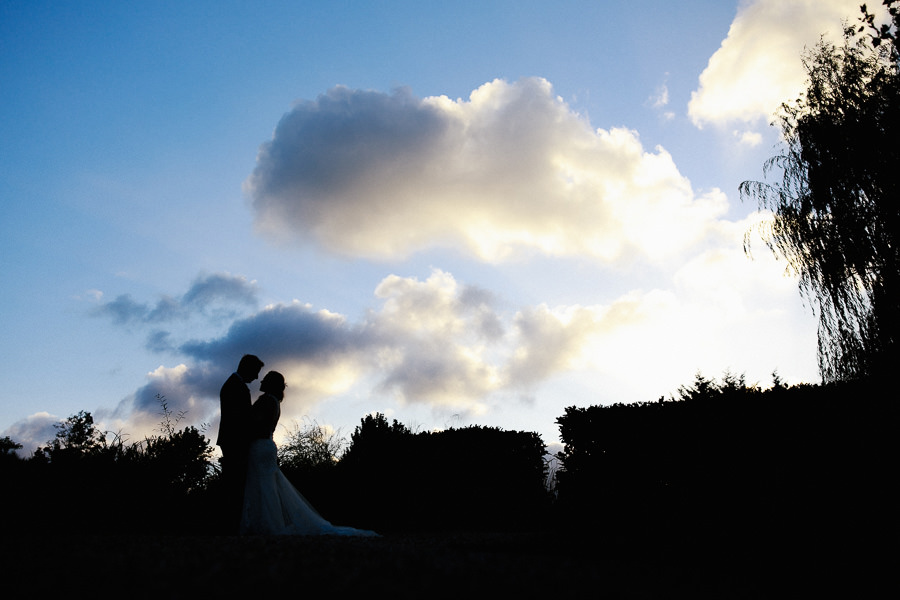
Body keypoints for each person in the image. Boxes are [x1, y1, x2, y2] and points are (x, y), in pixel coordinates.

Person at [240, 371, 378, 536]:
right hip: (267, 445)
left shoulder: (266, 400)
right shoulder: (275, 402)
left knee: (262, 486)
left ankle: (266, 525)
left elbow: (256, 424)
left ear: (270, 383)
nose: (261, 382)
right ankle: (268, 523)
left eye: (265, 380)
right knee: (267, 486)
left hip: (260, 446)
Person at [217, 354, 264, 533]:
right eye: (256, 372)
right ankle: (231, 525)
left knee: (235, 481)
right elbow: (239, 418)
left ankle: (231, 523)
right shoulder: (235, 387)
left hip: (232, 440)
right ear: (248, 368)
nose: (257, 377)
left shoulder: (234, 384)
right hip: (234, 441)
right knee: (235, 482)